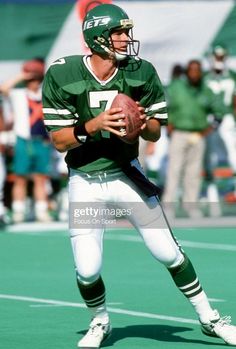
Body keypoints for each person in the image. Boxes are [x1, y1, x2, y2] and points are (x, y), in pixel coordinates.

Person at [42, 4, 236, 348]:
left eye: (127, 32)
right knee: (87, 269)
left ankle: (210, 318)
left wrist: (142, 126)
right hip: (85, 181)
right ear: (97, 37)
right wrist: (93, 125)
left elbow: (156, 133)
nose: (126, 39)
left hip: (126, 176)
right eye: (119, 32)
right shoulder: (63, 73)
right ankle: (100, 321)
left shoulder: (140, 71)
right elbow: (59, 140)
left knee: (168, 253)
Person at [0, 58, 52, 223]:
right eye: (31, 78)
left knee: (40, 178)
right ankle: (18, 211)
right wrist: (23, 75)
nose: (33, 81)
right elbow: (4, 88)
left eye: (36, 78)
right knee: (20, 177)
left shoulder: (46, 93)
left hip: (42, 140)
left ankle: (41, 211)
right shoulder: (19, 94)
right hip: (24, 140)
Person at [162, 60, 212, 218]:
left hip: (198, 134)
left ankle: (191, 206)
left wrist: (208, 130)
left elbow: (219, 110)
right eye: (192, 70)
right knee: (174, 169)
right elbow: (164, 105)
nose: (195, 73)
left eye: (198, 70)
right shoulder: (176, 87)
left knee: (194, 172)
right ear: (186, 72)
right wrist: (168, 124)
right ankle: (169, 205)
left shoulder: (206, 89)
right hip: (179, 132)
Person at [204, 44, 236, 214]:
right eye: (217, 57)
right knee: (211, 158)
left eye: (221, 57)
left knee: (233, 155)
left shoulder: (232, 75)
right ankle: (212, 195)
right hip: (210, 119)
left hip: (228, 118)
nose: (219, 60)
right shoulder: (205, 78)